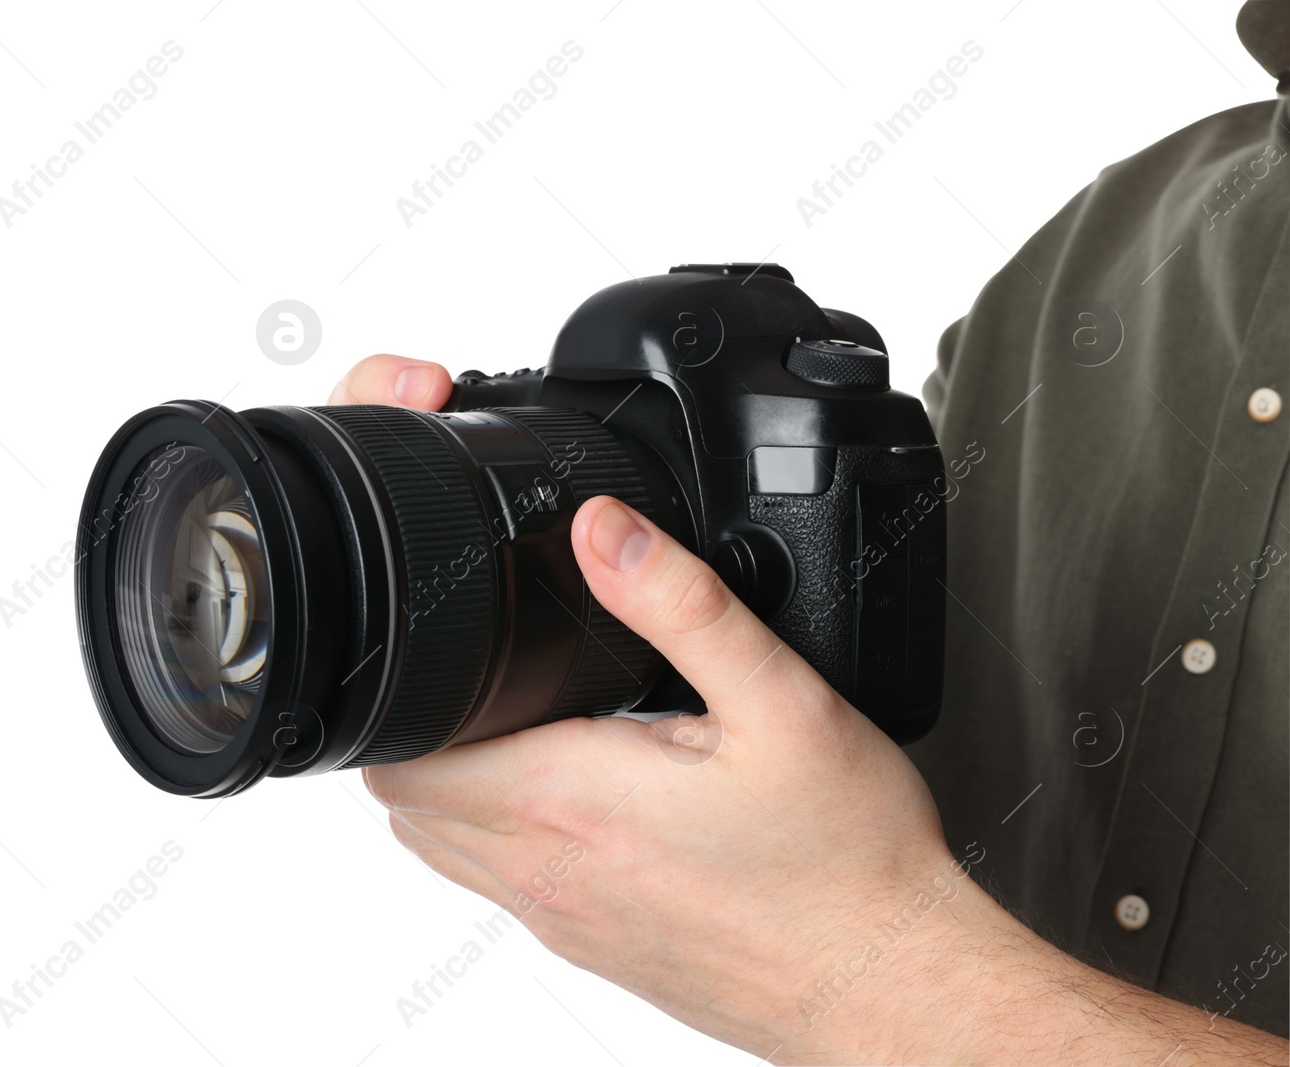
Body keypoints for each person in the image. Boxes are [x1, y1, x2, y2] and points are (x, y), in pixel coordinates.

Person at [330, 4, 1289, 1061]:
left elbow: (859, 936)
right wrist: (487, 581)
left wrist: (862, 974)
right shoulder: (1106, 244)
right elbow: (846, 735)